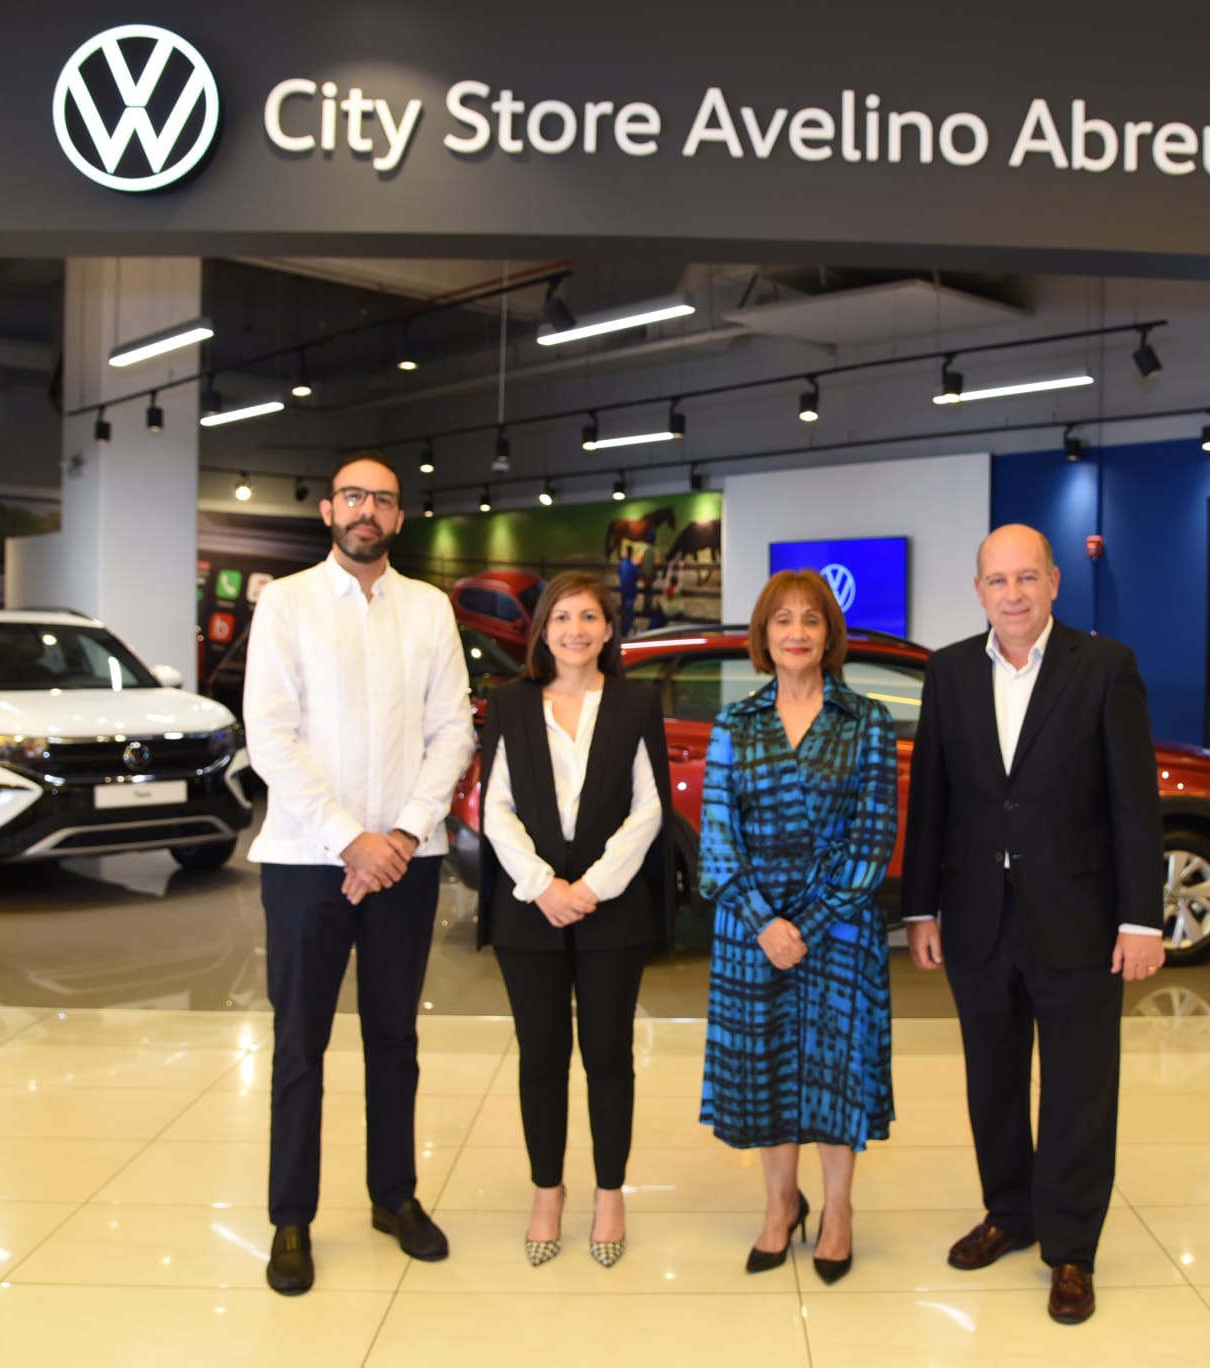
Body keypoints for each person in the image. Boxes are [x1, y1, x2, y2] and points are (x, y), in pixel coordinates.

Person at [900, 523, 1164, 1326]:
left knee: (1082, 1088)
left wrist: (1140, 920)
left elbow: (1133, 803)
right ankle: (1010, 1213)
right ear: (978, 590)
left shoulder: (1106, 667)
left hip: (1080, 920)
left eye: (1026, 578)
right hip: (978, 917)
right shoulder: (947, 671)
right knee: (994, 1080)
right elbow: (934, 798)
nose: (1012, 594)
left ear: (1053, 582)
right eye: (997, 581)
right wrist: (920, 907)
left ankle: (1071, 1249)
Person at [244, 452, 475, 1296]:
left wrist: (404, 835)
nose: (366, 510)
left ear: (401, 517)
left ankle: (394, 1198)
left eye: (381, 498)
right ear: (328, 510)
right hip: (310, 862)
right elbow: (271, 737)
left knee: (394, 1039)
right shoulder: (287, 605)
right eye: (353, 496)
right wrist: (352, 840)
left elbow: (453, 730)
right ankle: (291, 1219)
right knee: (300, 1043)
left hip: (407, 864)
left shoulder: (430, 608)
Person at [699, 569, 898, 1286]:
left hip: (837, 927)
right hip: (752, 931)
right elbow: (717, 840)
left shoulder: (866, 719)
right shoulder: (735, 723)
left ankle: (838, 1211)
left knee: (835, 1071)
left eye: (810, 620)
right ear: (763, 635)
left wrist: (804, 924)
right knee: (766, 1072)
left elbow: (873, 841)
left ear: (829, 634)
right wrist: (765, 923)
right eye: (782, 620)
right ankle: (780, 1205)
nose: (796, 633)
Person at [478, 570, 674, 1268]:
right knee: (541, 1058)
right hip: (529, 913)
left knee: (609, 1057)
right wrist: (542, 885)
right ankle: (547, 1190)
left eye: (589, 617)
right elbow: (494, 807)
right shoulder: (510, 703)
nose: (575, 630)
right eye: (561, 618)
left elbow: (650, 808)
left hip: (610, 912)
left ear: (608, 629)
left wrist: (588, 887)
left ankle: (611, 1191)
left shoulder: (635, 702)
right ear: (542, 632)